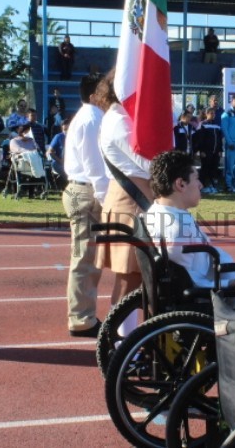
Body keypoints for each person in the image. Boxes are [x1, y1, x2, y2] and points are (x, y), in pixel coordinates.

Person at [95, 69, 155, 336]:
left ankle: (125, 341)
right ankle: (123, 343)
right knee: (130, 276)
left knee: (135, 276)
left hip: (133, 200)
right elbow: (147, 163)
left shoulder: (122, 117)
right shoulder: (119, 120)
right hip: (130, 202)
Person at [144, 150, 235, 287]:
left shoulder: (160, 212)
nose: (201, 185)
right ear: (181, 184)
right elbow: (192, 285)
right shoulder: (176, 228)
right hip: (219, 296)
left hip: (220, 279)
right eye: (196, 179)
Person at [63, 73, 108, 338]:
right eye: (103, 92)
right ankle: (81, 319)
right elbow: (94, 166)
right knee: (84, 259)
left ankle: (82, 315)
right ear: (93, 96)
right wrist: (104, 198)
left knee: (87, 258)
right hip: (86, 192)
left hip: (81, 190)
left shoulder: (88, 117)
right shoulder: (92, 119)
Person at [192, 107, 223, 194]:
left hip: (215, 152)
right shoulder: (203, 124)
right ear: (206, 114)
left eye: (214, 113)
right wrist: (201, 151)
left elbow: (219, 139)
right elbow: (200, 139)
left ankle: (213, 186)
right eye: (211, 113)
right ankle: (202, 186)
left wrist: (220, 150)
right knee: (205, 169)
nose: (213, 115)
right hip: (206, 152)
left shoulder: (217, 125)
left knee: (214, 169)